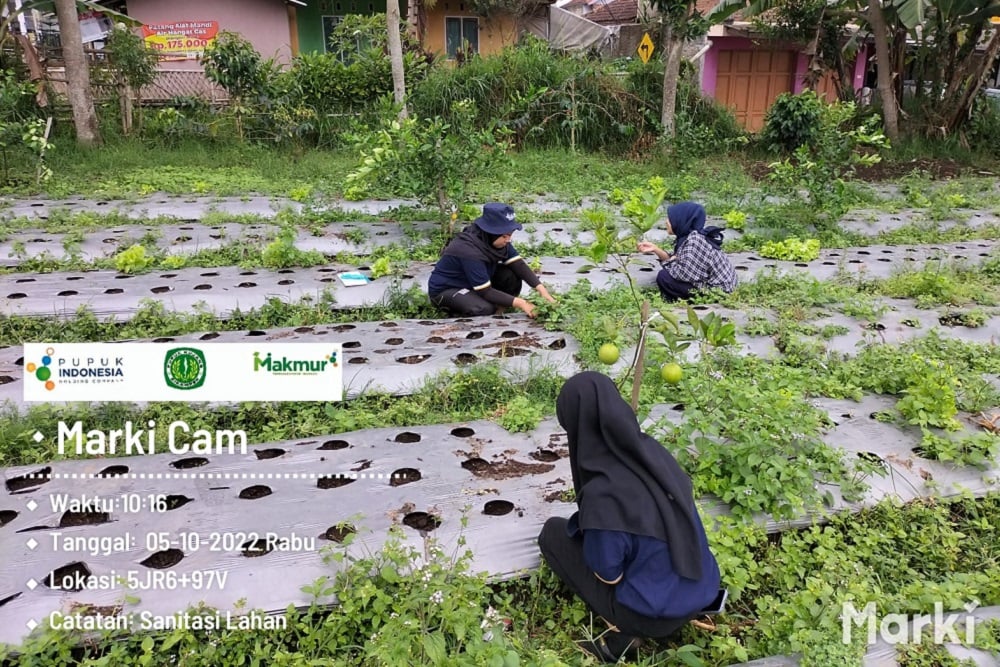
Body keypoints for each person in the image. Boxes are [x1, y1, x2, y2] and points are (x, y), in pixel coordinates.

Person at [538, 372, 722, 664]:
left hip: (654, 614)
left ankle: (626, 634)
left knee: (553, 534)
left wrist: (600, 532)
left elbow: (609, 574)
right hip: (702, 588)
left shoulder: (604, 496)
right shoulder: (653, 455)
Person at [427, 202, 556, 317]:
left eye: (510, 235)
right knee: (482, 308)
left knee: (511, 276)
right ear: (491, 232)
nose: (508, 240)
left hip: (474, 283)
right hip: (449, 289)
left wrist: (543, 291)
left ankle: (497, 311)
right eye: (505, 236)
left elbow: (519, 265)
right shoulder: (468, 250)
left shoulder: (496, 240)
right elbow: (485, 291)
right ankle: (465, 311)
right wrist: (522, 303)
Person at [637, 201, 737, 301]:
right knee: (668, 274)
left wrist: (672, 261)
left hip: (719, 292)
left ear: (681, 220)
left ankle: (675, 303)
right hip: (715, 285)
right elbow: (678, 260)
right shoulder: (690, 236)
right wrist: (656, 249)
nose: (666, 222)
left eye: (670, 219)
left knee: (664, 277)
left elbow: (684, 275)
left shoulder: (695, 242)